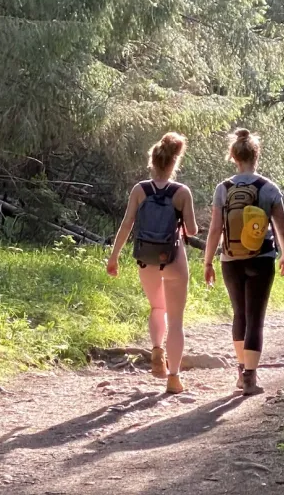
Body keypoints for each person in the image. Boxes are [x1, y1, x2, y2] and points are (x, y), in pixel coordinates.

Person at [107, 132, 198, 394]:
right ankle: (174, 377)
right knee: (176, 320)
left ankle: (157, 349)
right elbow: (190, 230)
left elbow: (127, 225)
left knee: (157, 307)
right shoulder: (182, 192)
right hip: (174, 258)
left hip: (146, 258)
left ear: (153, 161)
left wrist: (114, 257)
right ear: (174, 163)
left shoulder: (139, 189)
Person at [203, 128, 284, 396]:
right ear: (256, 155)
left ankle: (241, 372)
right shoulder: (268, 188)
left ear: (233, 156)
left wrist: (208, 261)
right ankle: (251, 379)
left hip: (230, 260)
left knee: (239, 314)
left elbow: (215, 229)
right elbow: (281, 226)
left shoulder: (223, 188)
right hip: (261, 258)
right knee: (256, 318)